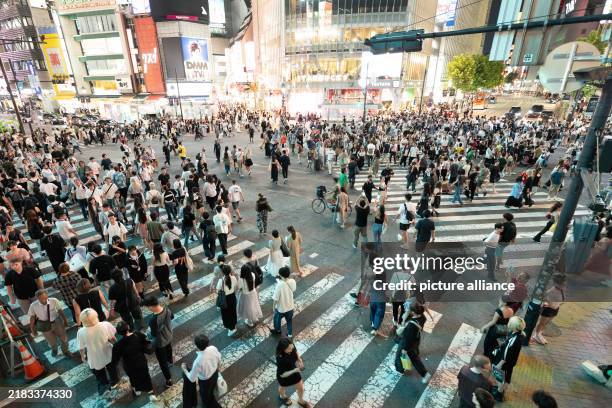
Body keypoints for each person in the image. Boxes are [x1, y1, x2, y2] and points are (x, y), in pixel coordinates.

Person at [77, 308, 118, 395]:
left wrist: (82, 356)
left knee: (99, 373)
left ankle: (105, 386)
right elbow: (113, 338)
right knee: (112, 368)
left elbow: (81, 348)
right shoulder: (105, 324)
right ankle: (114, 381)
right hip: (108, 351)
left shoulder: (81, 332)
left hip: (94, 356)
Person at [112, 321, 157, 400]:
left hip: (129, 365)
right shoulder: (138, 335)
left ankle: (137, 390)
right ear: (128, 327)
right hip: (141, 361)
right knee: (145, 375)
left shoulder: (118, 345)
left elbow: (115, 359)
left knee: (133, 377)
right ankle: (150, 390)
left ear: (118, 333)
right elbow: (147, 342)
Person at [394, 302, 431, 383]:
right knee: (414, 358)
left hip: (407, 342)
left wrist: (405, 349)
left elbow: (408, 338)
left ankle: (399, 370)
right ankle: (425, 373)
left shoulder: (411, 325)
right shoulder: (423, 317)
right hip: (416, 340)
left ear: (413, 312)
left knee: (398, 355)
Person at [182, 334, 222, 408]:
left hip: (205, 382)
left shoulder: (198, 361)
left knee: (207, 398)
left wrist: (185, 370)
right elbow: (219, 359)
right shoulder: (213, 348)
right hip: (215, 374)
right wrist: (218, 370)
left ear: (197, 346)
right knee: (211, 391)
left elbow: (192, 378)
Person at [28, 289, 71, 357]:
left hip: (57, 322)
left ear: (47, 295)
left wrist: (65, 321)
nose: (44, 301)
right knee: (52, 342)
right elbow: (32, 318)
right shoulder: (33, 306)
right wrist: (32, 330)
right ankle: (54, 349)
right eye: (41, 299)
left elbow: (60, 311)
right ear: (37, 298)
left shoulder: (53, 300)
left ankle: (65, 350)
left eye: (45, 298)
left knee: (64, 338)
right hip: (44, 326)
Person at [143, 296, 174, 388]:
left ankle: (169, 380)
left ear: (151, 306)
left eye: (147, 307)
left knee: (162, 362)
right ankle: (170, 361)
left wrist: (147, 334)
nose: (148, 309)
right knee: (169, 348)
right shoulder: (166, 309)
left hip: (160, 342)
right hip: (169, 335)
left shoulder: (153, 320)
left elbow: (154, 334)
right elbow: (172, 316)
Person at [491, 316, 526, 398]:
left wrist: (499, 365)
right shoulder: (519, 334)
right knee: (505, 377)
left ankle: (499, 393)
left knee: (499, 376)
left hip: (504, 362)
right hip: (510, 362)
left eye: (510, 322)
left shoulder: (514, 339)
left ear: (513, 326)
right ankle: (500, 389)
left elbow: (506, 355)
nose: (508, 323)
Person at [276, 337, 311, 408]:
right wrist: (295, 370)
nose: (291, 350)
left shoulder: (291, 347)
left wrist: (299, 359)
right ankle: (283, 397)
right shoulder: (280, 358)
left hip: (293, 370)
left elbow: (295, 351)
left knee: (301, 387)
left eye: (292, 347)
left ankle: (301, 400)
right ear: (283, 349)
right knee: (282, 387)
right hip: (285, 374)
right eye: (289, 349)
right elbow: (282, 375)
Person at [532, 273, 566, 345]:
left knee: (546, 323)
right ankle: (536, 334)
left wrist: (558, 304)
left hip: (555, 309)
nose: (562, 285)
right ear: (555, 283)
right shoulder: (551, 291)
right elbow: (544, 299)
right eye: (561, 283)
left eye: (562, 283)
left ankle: (539, 333)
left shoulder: (561, 290)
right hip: (548, 310)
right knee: (542, 323)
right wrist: (546, 303)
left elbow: (563, 299)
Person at [271, 266, 296, 338]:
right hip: (290, 307)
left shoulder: (279, 285)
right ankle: (290, 334)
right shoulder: (292, 281)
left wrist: (273, 307)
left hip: (281, 308)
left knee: (277, 319)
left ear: (281, 275)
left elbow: (275, 298)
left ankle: (278, 330)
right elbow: (293, 289)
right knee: (289, 321)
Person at [216, 264, 238, 336]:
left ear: (222, 272)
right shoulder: (234, 278)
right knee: (233, 312)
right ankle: (233, 325)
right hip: (232, 297)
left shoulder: (221, 281)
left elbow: (218, 290)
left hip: (225, 299)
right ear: (230, 271)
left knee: (226, 314)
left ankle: (231, 328)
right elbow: (235, 287)